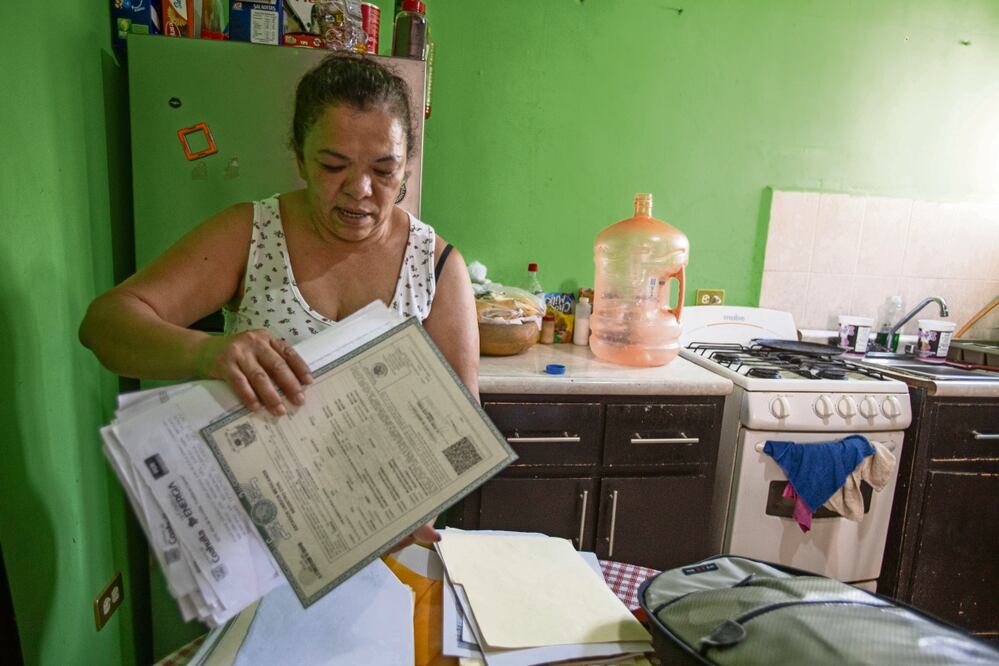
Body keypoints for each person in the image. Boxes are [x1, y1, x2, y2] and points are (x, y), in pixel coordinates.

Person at [79, 53, 478, 550]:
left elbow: (461, 431)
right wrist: (206, 351)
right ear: (299, 158)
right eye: (333, 165)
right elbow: (104, 324)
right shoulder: (253, 234)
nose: (359, 190)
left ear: (407, 167)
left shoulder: (435, 267)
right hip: (252, 537)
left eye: (384, 169)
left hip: (381, 543)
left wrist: (420, 505)